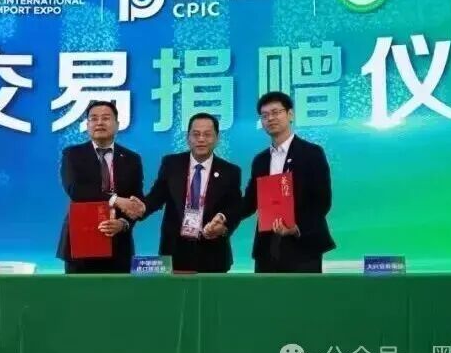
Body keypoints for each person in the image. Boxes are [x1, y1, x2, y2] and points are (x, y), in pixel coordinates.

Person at [239, 91, 335, 273]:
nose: (270, 118)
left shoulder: (312, 153)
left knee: (301, 292)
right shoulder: (260, 160)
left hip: (303, 244)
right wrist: (224, 217)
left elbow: (322, 201)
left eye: (276, 112)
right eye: (265, 115)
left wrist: (296, 227)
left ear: (290, 114)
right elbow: (250, 202)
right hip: (267, 246)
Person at [138, 113, 242, 273]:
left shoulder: (230, 171)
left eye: (207, 134)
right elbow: (157, 196)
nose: (201, 139)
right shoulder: (171, 163)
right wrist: (141, 207)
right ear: (188, 138)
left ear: (217, 138)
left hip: (213, 252)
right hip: (174, 250)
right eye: (196, 134)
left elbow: (235, 207)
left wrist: (223, 226)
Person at [56, 101, 144, 273]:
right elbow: (75, 190)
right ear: (87, 125)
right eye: (94, 119)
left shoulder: (132, 159)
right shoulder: (72, 154)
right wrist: (115, 200)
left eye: (106, 118)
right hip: (81, 242)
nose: (99, 123)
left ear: (117, 124)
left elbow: (135, 201)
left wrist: (124, 223)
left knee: (118, 290)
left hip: (119, 245)